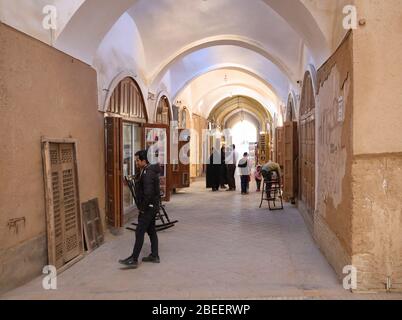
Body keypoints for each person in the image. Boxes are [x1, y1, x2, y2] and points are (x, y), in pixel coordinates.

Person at [119, 150, 161, 269]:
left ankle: (134, 259)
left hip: (148, 207)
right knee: (151, 230)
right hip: (152, 206)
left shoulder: (148, 173)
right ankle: (154, 255)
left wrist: (142, 208)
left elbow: (148, 193)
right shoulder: (147, 170)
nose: (136, 162)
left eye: (138, 160)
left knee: (139, 231)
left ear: (144, 161)